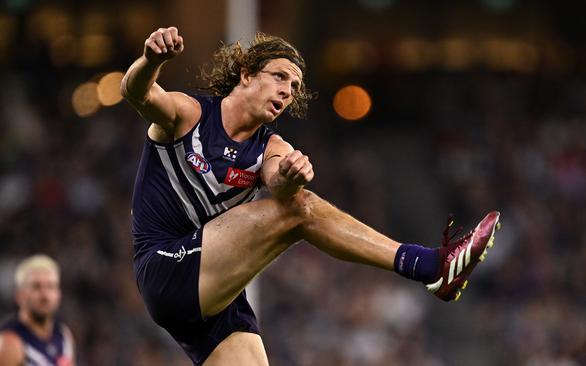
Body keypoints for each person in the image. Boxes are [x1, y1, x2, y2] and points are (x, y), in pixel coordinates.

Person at [121, 26, 501, 365]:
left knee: (295, 202)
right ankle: (430, 266)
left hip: (213, 292)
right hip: (164, 267)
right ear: (247, 74)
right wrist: (150, 60)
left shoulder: (271, 146)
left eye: (295, 87)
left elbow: (279, 182)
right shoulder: (191, 115)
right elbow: (137, 92)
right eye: (280, 77)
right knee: (299, 209)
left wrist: (288, 175)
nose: (287, 91)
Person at [0, 254, 75, 366]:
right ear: (19, 295)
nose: (45, 295)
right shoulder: (6, 344)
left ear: (59, 294)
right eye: (36, 287)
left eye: (51, 286)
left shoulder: (63, 336)